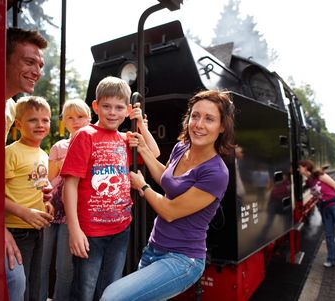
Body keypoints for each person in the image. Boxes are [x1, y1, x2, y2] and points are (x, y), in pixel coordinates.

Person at [101, 89, 236, 301]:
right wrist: (143, 147)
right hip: (154, 248)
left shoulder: (216, 173)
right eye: (195, 116)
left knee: (112, 297)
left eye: (209, 119)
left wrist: (143, 186)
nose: (199, 124)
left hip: (183, 259)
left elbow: (170, 211)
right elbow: (166, 178)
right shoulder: (181, 148)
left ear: (222, 127)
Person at [60, 76, 160, 300]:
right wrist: (74, 230)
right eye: (106, 106)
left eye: (119, 107)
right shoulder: (85, 135)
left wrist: (141, 125)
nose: (112, 112)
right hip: (90, 232)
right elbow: (70, 184)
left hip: (120, 229)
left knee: (111, 289)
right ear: (96, 106)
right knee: (85, 290)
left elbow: (154, 154)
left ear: (127, 111)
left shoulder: (127, 139)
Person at [5, 27, 48, 301]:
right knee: (15, 279)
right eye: (29, 61)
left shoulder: (9, 106)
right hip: (11, 224)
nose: (37, 70)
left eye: (40, 64)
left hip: (34, 228)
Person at [39, 99, 92, 301]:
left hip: (72, 213)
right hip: (51, 208)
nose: (75, 121)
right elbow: (50, 178)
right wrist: (62, 162)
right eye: (70, 117)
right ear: (64, 122)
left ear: (89, 118)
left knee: (64, 265)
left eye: (80, 117)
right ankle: (38, 296)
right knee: (42, 261)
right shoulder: (59, 146)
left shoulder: (92, 144)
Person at [5, 96, 55, 301]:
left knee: (37, 282)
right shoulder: (10, 153)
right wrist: (24, 212)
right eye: (33, 120)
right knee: (22, 285)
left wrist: (47, 203)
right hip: (16, 229)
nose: (40, 125)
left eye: (45, 120)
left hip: (38, 228)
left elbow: (38, 187)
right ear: (18, 124)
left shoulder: (43, 154)